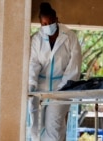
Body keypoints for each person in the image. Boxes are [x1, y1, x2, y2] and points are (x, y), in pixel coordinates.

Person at [28, 2, 82, 141]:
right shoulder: (37, 39)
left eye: (50, 22)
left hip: (61, 88)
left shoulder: (70, 37)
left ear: (56, 19)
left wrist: (64, 87)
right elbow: (34, 62)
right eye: (44, 24)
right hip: (39, 88)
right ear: (40, 23)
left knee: (54, 128)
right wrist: (31, 84)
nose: (48, 26)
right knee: (35, 128)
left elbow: (74, 65)